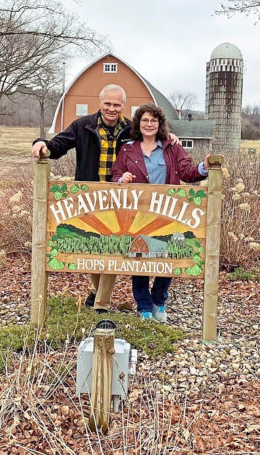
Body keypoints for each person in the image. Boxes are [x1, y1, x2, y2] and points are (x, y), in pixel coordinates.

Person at [31, 85, 178, 313]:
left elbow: (153, 138)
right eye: (107, 104)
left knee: (111, 246)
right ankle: (94, 291)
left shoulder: (131, 129)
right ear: (100, 104)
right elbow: (59, 145)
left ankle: (101, 305)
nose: (112, 108)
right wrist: (42, 145)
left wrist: (170, 138)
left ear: (123, 106)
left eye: (116, 105)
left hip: (120, 199)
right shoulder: (84, 126)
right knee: (91, 245)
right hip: (90, 196)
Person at [110, 103, 210, 322]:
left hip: (168, 212)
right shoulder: (128, 149)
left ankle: (159, 300)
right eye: (145, 120)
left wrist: (204, 167)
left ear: (159, 124)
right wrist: (121, 179)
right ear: (138, 123)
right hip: (138, 213)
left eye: (153, 120)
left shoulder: (171, 147)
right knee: (140, 257)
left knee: (169, 256)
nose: (149, 124)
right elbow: (115, 174)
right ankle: (144, 306)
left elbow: (187, 171)